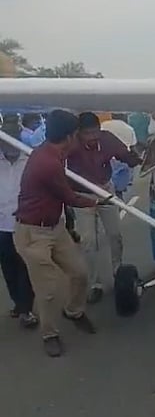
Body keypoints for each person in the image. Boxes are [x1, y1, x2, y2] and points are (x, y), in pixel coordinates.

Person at [14, 110, 99, 357]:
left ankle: (73, 311)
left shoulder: (54, 152)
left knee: (80, 273)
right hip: (33, 233)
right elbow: (69, 197)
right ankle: (49, 334)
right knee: (48, 290)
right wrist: (97, 201)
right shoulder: (48, 163)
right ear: (69, 136)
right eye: (77, 134)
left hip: (55, 227)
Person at [68, 112, 141, 303]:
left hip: (106, 190)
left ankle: (118, 272)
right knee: (88, 241)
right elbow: (56, 162)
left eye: (96, 132)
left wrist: (141, 159)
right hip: (81, 196)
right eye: (88, 134)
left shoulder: (107, 139)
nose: (93, 137)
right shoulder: (71, 144)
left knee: (115, 235)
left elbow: (126, 155)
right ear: (79, 133)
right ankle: (94, 284)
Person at [0, 121, 37, 328]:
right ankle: (18, 303)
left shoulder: (30, 160)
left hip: (25, 223)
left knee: (25, 267)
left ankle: (26, 309)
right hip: (2, 226)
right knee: (8, 268)